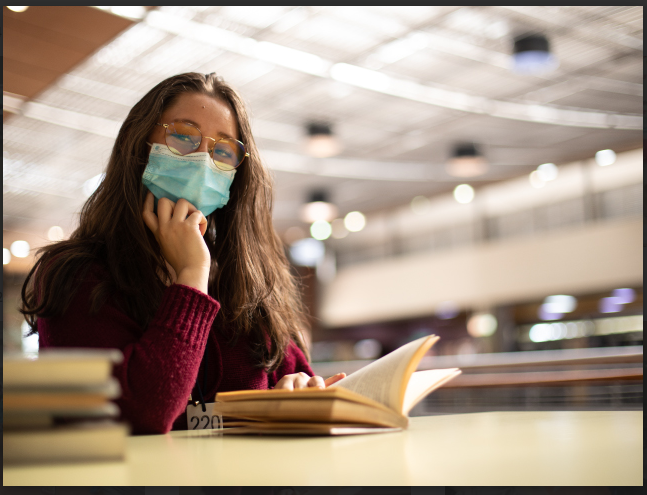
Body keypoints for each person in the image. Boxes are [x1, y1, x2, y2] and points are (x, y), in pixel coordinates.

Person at [20, 72, 344, 434]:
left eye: (223, 150)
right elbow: (142, 414)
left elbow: (306, 383)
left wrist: (298, 391)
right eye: (183, 136)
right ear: (140, 145)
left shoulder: (249, 281)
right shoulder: (77, 274)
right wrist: (191, 277)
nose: (203, 160)